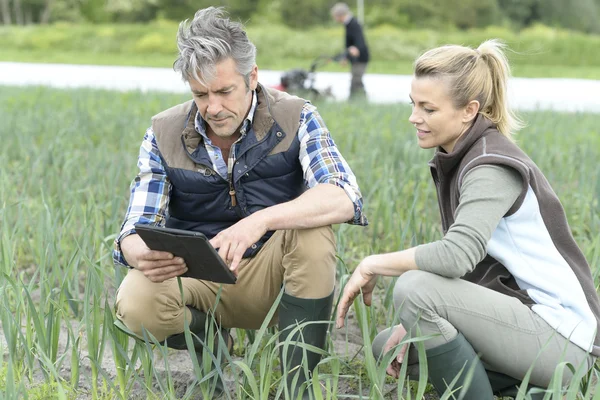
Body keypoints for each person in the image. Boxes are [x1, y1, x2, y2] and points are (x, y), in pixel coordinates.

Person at [112, 6, 367, 399]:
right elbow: (137, 221)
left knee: (313, 231)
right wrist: (134, 249)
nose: (212, 107)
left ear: (252, 77)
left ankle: (296, 386)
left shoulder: (297, 116)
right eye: (200, 94)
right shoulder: (163, 132)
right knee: (135, 301)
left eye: (223, 91)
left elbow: (343, 194)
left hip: (274, 276)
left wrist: (261, 221)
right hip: (201, 276)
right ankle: (211, 347)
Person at [336, 39, 600, 399]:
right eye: (413, 104)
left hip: (566, 344)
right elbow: (478, 269)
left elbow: (455, 256)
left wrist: (372, 263)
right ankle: (529, 391)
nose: (414, 117)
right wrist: (410, 321)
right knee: (391, 344)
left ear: (468, 110)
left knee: (413, 290)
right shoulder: (463, 156)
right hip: (527, 320)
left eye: (428, 109)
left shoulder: (490, 166)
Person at [330, 2, 370, 100]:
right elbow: (350, 44)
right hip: (355, 57)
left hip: (360, 57)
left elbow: (360, 40)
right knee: (355, 80)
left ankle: (362, 100)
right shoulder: (348, 24)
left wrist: (356, 48)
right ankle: (354, 100)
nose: (335, 19)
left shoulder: (353, 23)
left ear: (340, 15)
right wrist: (346, 57)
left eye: (335, 16)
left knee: (356, 80)